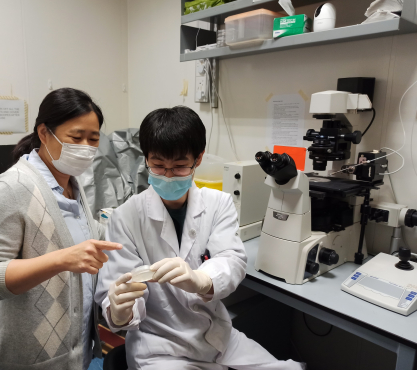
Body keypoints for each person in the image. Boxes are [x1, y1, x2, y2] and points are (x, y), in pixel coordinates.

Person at [95, 106, 305, 370]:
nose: (168, 175)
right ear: (146, 159)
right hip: (159, 348)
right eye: (158, 166)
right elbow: (120, 290)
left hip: (218, 338)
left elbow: (232, 259)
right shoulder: (125, 218)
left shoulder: (218, 203)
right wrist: (120, 310)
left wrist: (203, 280)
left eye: (180, 166)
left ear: (199, 159)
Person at [0, 88, 122, 370]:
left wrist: (127, 226)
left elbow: (81, 231)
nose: (86, 147)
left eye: (94, 139)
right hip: (32, 356)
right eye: (76, 137)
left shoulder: (71, 183)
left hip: (75, 350)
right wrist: (60, 260)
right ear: (44, 133)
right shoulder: (12, 188)